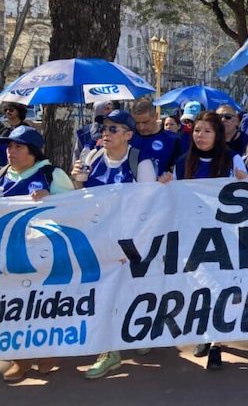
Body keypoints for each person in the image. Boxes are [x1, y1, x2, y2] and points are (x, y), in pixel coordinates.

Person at [70, 110, 157, 379]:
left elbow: (149, 206)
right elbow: (80, 199)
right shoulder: (91, 157)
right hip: (98, 238)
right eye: (104, 128)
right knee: (103, 292)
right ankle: (110, 351)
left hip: (128, 240)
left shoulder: (140, 162)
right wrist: (77, 181)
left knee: (131, 290)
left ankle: (136, 334)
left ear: (129, 135)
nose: (106, 133)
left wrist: (130, 244)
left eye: (113, 129)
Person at [162, 111, 247, 369]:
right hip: (193, 236)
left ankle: (217, 343)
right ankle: (204, 332)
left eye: (207, 131)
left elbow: (247, 195)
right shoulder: (181, 163)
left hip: (225, 236)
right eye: (197, 130)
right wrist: (164, 183)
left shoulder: (233, 160)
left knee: (221, 287)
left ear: (217, 134)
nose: (200, 135)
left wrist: (245, 182)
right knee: (198, 287)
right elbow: (170, 200)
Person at [0, 126, 72, 383]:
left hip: (45, 256)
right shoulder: (3, 175)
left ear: (33, 151)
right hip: (9, 258)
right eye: (9, 147)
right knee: (12, 308)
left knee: (42, 306)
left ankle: (47, 353)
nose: (11, 152)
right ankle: (20, 360)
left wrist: (52, 197)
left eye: (18, 147)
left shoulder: (51, 174)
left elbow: (77, 209)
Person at [130, 97, 181, 176]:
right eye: (137, 123)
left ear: (156, 116)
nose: (141, 127)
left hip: (162, 187)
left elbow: (177, 173)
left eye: (145, 122)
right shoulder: (127, 138)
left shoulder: (173, 140)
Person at [0, 102, 34, 167]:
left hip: (18, 165)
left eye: (11, 110)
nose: (8, 112)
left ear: (19, 112)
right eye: (6, 110)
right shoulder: (4, 128)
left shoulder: (25, 129)